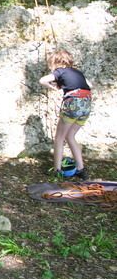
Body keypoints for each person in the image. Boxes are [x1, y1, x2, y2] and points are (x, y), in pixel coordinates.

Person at [39, 49, 91, 180]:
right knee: (70, 136)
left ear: (55, 62)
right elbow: (90, 85)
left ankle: (57, 170)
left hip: (73, 103)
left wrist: (55, 87)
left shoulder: (60, 71)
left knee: (59, 138)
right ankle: (81, 169)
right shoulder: (78, 73)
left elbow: (43, 80)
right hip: (86, 104)